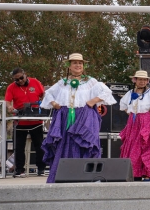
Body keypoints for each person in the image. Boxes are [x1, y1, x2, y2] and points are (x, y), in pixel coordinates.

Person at [40, 53, 116, 183]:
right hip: (64, 116)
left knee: (84, 143)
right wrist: (55, 104)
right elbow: (48, 93)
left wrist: (93, 101)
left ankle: (88, 176)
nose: (78, 65)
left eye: (80, 63)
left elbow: (106, 92)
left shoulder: (91, 82)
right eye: (74, 63)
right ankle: (64, 175)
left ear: (83, 65)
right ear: (69, 66)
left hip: (85, 116)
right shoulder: (62, 83)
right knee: (64, 144)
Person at [119, 70, 150, 181]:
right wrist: (131, 113)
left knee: (147, 146)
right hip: (134, 123)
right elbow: (123, 105)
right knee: (133, 147)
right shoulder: (130, 93)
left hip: (147, 121)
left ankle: (147, 173)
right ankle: (135, 172)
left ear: (147, 81)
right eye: (139, 79)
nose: (142, 82)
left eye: (144, 80)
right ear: (135, 80)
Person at [5, 68, 47, 177]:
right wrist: (9, 107)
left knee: (39, 146)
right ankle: (19, 170)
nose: (20, 81)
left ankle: (41, 169)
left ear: (25, 75)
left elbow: (44, 94)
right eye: (16, 80)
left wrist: (43, 104)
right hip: (20, 121)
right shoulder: (11, 87)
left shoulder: (35, 82)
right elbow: (7, 101)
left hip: (36, 120)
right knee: (18, 147)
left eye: (21, 78)